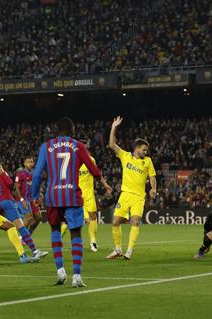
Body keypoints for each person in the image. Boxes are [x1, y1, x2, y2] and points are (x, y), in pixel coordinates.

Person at [31, 117, 109, 287]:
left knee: (55, 230)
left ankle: (60, 272)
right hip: (72, 195)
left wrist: (35, 195)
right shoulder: (79, 146)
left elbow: (37, 174)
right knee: (75, 233)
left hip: (53, 196)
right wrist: (99, 177)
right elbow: (93, 168)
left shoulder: (46, 146)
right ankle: (77, 276)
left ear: (56, 130)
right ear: (72, 130)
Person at [107, 116, 157, 260]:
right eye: (144, 150)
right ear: (136, 149)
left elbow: (152, 177)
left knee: (135, 221)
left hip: (139, 197)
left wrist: (153, 188)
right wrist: (113, 127)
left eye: (146, 150)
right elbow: (112, 144)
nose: (146, 152)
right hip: (125, 195)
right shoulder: (125, 156)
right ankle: (117, 249)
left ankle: (129, 251)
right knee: (115, 222)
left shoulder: (147, 161)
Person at [61, 144, 113, 252]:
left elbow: (97, 174)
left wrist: (105, 185)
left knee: (93, 217)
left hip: (89, 194)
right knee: (73, 219)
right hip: (76, 194)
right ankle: (58, 239)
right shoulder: (71, 161)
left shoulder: (91, 160)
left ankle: (93, 242)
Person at [0, 170, 48, 260]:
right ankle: (34, 251)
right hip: (5, 200)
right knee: (19, 225)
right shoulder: (2, 172)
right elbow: (10, 183)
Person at [14, 156, 41, 235]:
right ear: (24, 163)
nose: (30, 163)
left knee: (38, 217)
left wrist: (39, 195)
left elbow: (35, 186)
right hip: (22, 199)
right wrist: (22, 200)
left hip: (32, 199)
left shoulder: (34, 173)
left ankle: (28, 234)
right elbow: (17, 188)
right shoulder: (20, 173)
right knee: (29, 218)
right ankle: (22, 237)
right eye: (28, 162)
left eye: (32, 162)